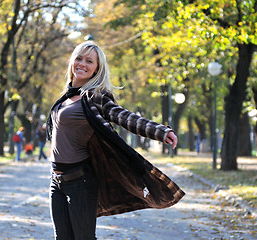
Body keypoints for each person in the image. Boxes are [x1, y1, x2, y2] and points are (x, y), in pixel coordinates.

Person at [46, 41, 185, 240]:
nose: (82, 64)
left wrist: (160, 131)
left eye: (89, 61)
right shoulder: (65, 98)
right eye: (78, 58)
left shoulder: (95, 96)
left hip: (80, 181)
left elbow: (125, 117)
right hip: (56, 181)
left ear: (96, 69)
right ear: (72, 61)